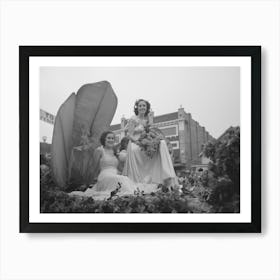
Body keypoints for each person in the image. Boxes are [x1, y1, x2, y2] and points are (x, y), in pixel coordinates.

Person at [122, 99, 177, 187]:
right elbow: (129, 135)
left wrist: (151, 121)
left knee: (162, 143)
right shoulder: (133, 119)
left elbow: (151, 131)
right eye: (140, 105)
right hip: (135, 143)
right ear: (137, 107)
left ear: (147, 108)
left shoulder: (147, 119)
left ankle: (167, 175)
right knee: (135, 149)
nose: (142, 107)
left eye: (144, 106)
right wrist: (138, 142)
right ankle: (143, 179)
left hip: (146, 141)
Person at [69, 131, 138, 200]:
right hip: (104, 176)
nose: (111, 140)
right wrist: (90, 182)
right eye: (108, 138)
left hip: (115, 175)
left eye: (112, 138)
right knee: (121, 180)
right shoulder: (99, 150)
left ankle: (131, 195)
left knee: (125, 179)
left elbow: (119, 168)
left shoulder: (114, 151)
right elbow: (93, 168)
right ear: (104, 139)